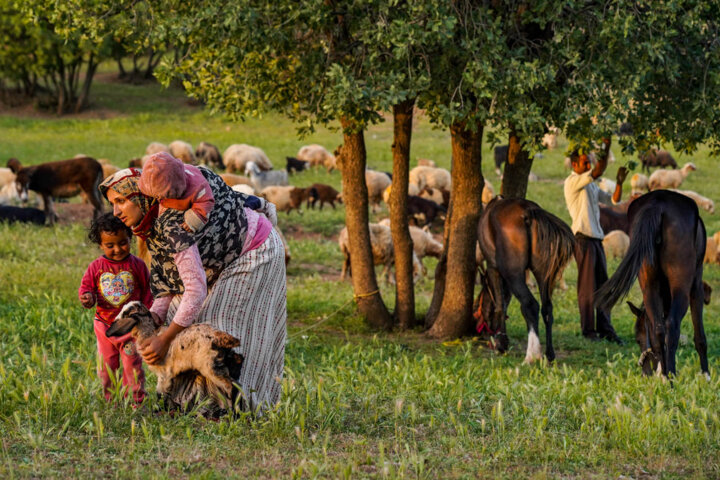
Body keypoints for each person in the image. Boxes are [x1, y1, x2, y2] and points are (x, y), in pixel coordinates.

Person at [99, 155, 286, 414]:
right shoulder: (159, 213)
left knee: (223, 331)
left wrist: (164, 339)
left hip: (251, 250)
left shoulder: (174, 226)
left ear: (144, 195)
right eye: (112, 204)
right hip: (215, 256)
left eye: (122, 201)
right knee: (180, 317)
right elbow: (169, 274)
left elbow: (194, 289)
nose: (116, 212)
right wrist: (157, 316)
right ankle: (188, 404)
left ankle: (242, 408)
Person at [79, 212, 153, 404]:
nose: (118, 249)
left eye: (123, 242)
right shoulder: (96, 267)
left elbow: (147, 291)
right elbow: (87, 288)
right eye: (110, 245)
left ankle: (136, 401)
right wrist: (88, 298)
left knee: (133, 365)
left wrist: (147, 314)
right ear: (101, 245)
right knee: (106, 367)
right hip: (104, 326)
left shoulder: (137, 265)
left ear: (131, 238)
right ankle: (110, 400)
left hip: (131, 327)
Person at [564, 138, 627, 344]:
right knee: (587, 287)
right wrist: (606, 148)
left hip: (597, 240)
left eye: (589, 162)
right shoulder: (573, 182)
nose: (588, 165)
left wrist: (619, 183)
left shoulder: (590, 186)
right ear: (574, 165)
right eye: (584, 162)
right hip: (583, 239)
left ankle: (606, 329)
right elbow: (598, 171)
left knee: (603, 287)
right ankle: (589, 331)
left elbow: (612, 200)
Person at [138, 151, 215, 234]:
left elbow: (206, 201)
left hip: (209, 198)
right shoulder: (158, 185)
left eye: (162, 195)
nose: (158, 198)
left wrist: (194, 220)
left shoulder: (197, 188)